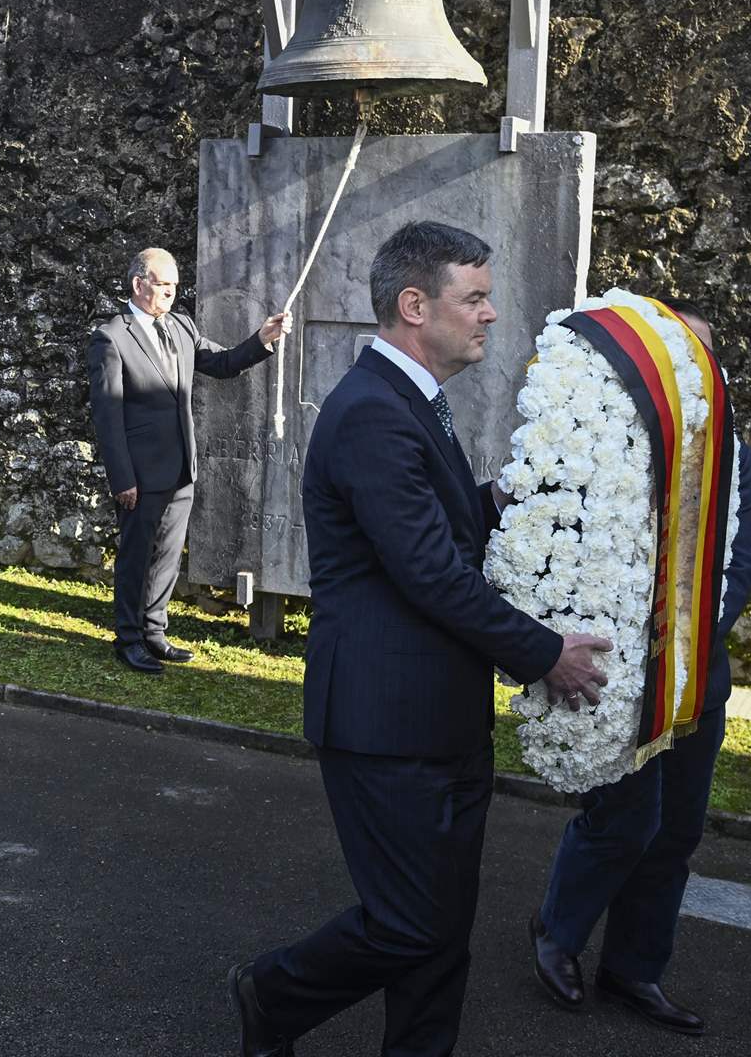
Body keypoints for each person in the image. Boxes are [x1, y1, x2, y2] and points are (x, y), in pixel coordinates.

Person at [230, 221, 613, 1057]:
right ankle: (273, 993)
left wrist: (516, 492)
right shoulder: (372, 412)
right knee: (408, 924)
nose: (490, 314)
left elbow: (438, 527)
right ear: (414, 305)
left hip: (439, 714)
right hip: (384, 719)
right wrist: (547, 653)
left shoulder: (410, 401)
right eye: (473, 297)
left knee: (442, 929)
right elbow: (431, 575)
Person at [528, 298, 751, 1036]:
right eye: (679, 361)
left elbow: (737, 560)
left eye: (704, 363)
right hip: (620, 674)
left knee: (677, 830)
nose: (694, 375)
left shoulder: (729, 449)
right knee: (625, 819)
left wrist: (687, 647)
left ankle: (634, 970)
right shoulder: (608, 443)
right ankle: (557, 935)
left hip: (696, 676)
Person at [86, 248, 289, 673]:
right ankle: (128, 639)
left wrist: (262, 340)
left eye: (175, 286)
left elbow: (222, 362)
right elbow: (108, 416)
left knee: (168, 555)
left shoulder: (180, 327)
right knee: (136, 557)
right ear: (139, 285)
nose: (171, 294)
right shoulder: (111, 337)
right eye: (163, 286)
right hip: (139, 475)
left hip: (181, 469)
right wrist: (122, 478)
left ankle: (154, 632)